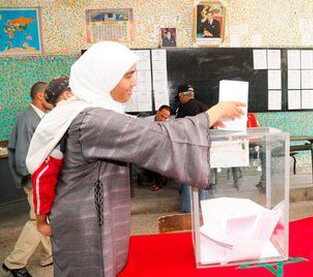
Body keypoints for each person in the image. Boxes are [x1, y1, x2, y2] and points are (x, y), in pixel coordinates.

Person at [25, 41, 244, 277]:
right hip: (87, 225)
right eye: (128, 75)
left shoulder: (84, 109)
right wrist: (214, 113)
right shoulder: (91, 119)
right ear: (104, 77)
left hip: (88, 214)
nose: (135, 82)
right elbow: (156, 138)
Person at [2, 82, 53, 277]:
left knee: (44, 216)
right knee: (37, 220)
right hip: (35, 180)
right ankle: (14, 263)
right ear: (40, 96)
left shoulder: (40, 116)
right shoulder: (27, 119)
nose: (52, 98)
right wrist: (37, 179)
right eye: (49, 95)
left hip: (41, 178)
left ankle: (48, 256)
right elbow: (23, 157)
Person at [31, 75, 72, 237]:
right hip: (65, 201)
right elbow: (44, 174)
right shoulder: (56, 123)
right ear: (65, 95)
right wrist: (41, 222)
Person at [175, 84, 210, 213]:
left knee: (187, 179)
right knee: (203, 179)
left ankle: (188, 209)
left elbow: (179, 129)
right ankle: (205, 209)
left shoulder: (184, 107)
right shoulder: (204, 107)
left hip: (189, 149)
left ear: (181, 95)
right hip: (204, 149)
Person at [142, 105, 172, 191]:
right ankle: (157, 180)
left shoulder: (168, 123)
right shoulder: (146, 121)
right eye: (162, 116)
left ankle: (159, 182)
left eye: (165, 118)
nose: (163, 119)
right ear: (158, 112)